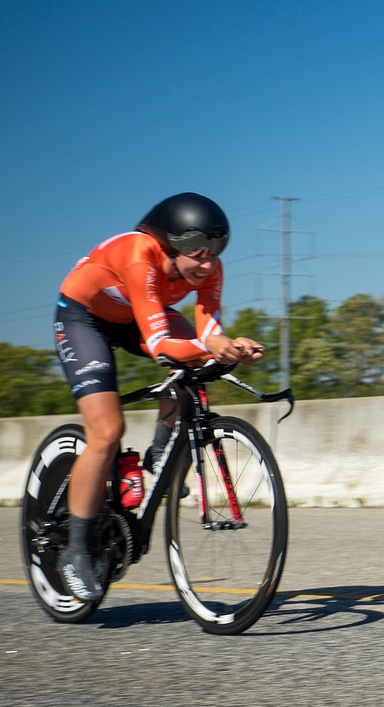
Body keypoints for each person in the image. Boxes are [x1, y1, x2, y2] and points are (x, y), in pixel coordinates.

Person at [52, 192, 265, 602]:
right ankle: (76, 552)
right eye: (199, 252)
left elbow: (208, 330)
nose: (209, 263)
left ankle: (160, 452)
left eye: (217, 251)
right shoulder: (140, 256)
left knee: (196, 373)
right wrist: (212, 347)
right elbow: (160, 343)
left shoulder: (209, 269)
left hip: (133, 315)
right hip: (84, 316)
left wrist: (228, 346)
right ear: (171, 244)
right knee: (108, 431)